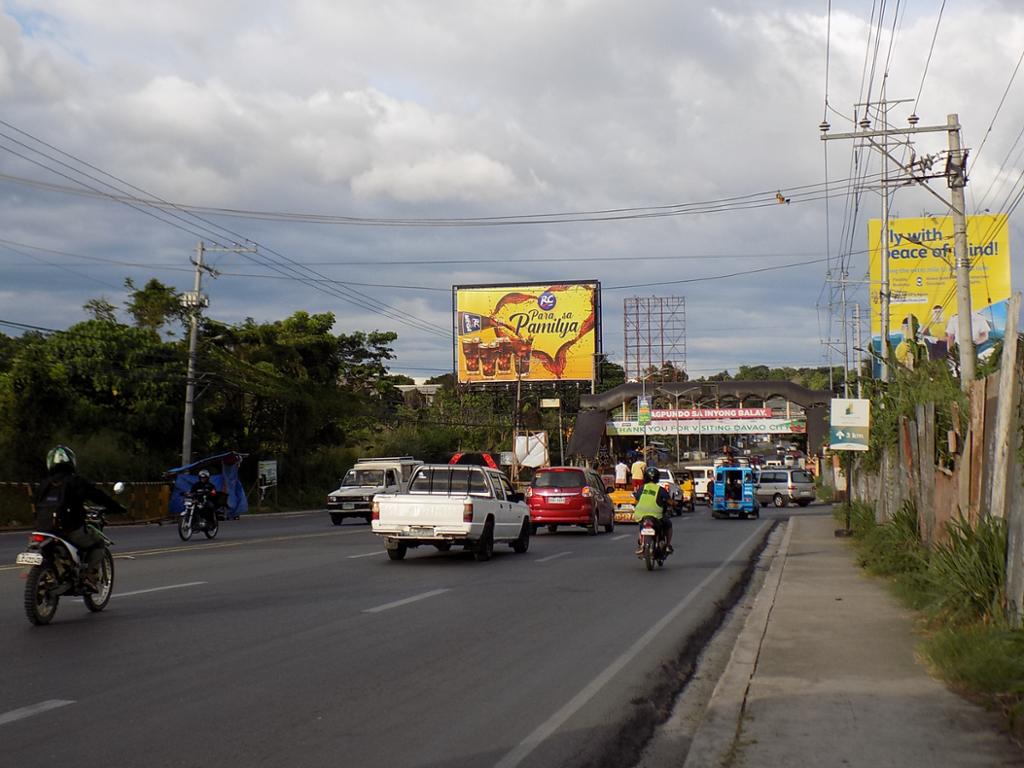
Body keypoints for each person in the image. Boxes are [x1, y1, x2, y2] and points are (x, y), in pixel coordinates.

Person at [34, 445, 126, 591]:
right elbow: (98, 496)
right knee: (98, 543)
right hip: (68, 529)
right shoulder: (75, 481)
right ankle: (89, 577)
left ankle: (59, 572)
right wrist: (117, 508)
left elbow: (36, 505)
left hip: (43, 530)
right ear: (71, 462)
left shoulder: (43, 484)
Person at [633, 465, 674, 555]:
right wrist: (674, 504)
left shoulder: (642, 488)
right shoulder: (660, 489)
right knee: (668, 524)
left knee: (641, 525)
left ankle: (641, 544)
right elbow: (670, 501)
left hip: (641, 513)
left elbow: (636, 501)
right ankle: (667, 545)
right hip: (656, 515)